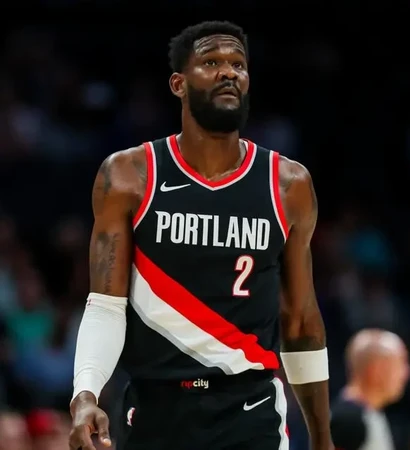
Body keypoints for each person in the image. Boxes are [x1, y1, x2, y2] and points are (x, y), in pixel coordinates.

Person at [69, 20, 332, 450]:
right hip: (155, 409)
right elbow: (105, 307)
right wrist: (85, 395)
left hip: (251, 411)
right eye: (211, 62)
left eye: (238, 64)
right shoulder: (130, 175)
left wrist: (322, 438)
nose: (228, 72)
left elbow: (300, 320)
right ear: (178, 84)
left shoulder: (288, 184)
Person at [330, 329, 408, 450]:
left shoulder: (369, 414)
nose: (405, 374)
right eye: (400, 364)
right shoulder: (348, 422)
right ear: (376, 370)